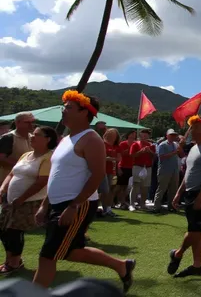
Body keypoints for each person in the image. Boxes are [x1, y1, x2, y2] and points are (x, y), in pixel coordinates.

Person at [33, 91, 135, 292]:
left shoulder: (91, 139)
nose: (64, 110)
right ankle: (121, 265)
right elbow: (56, 175)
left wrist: (74, 206)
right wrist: (45, 204)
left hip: (76, 204)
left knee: (48, 255)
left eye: (69, 107)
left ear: (84, 112)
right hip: (59, 203)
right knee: (71, 251)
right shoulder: (65, 139)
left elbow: (97, 175)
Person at [167, 115, 201, 278]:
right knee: (197, 229)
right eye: (192, 127)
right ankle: (197, 265)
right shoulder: (195, 147)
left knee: (194, 230)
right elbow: (189, 173)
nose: (192, 130)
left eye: (196, 127)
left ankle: (178, 253)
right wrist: (179, 192)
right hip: (191, 191)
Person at [0, 126, 57, 275]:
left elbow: (41, 182)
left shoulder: (49, 157)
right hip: (11, 200)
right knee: (3, 229)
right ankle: (11, 260)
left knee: (14, 230)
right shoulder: (26, 155)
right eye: (33, 134)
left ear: (48, 139)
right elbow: (12, 174)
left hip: (29, 201)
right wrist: (3, 189)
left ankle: (13, 262)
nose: (32, 136)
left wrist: (22, 198)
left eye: (37, 135)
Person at [153, 129, 184, 213]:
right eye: (171, 135)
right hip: (164, 170)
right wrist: (174, 152)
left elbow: (181, 155)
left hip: (175, 170)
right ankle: (156, 206)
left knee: (173, 189)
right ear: (167, 136)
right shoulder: (162, 145)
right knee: (162, 188)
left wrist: (180, 148)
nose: (173, 136)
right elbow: (161, 157)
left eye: (174, 135)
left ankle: (171, 206)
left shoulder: (176, 144)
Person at [0, 112, 35, 185]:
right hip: (7, 182)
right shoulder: (8, 138)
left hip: (26, 182)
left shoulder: (33, 138)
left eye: (32, 122)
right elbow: (2, 158)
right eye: (27, 122)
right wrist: (22, 166)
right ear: (17, 123)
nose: (31, 125)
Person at [129, 130, 155, 211]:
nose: (144, 137)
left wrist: (149, 151)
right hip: (137, 166)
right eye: (143, 135)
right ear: (140, 135)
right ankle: (132, 204)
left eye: (146, 135)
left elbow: (154, 156)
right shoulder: (135, 144)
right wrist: (141, 151)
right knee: (136, 186)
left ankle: (142, 204)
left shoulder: (151, 145)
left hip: (147, 167)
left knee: (145, 187)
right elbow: (132, 155)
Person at [101, 129, 121, 217]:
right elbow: (101, 157)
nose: (112, 136)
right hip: (103, 170)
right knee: (105, 190)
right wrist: (111, 158)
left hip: (113, 171)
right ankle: (102, 208)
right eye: (110, 134)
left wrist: (110, 158)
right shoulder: (102, 144)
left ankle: (108, 208)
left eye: (114, 134)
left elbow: (119, 158)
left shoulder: (116, 146)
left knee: (112, 190)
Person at [114, 131, 136, 209]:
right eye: (131, 135)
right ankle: (112, 200)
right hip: (122, 166)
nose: (132, 137)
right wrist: (118, 168)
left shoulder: (135, 144)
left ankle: (122, 202)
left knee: (125, 187)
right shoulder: (122, 144)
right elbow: (119, 155)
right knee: (118, 186)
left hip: (131, 167)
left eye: (134, 136)